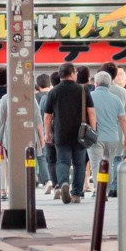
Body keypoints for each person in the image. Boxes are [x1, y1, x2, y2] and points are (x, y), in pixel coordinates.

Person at [44, 67, 87, 203]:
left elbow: (47, 115)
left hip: (60, 131)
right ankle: (76, 194)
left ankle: (63, 183)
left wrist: (47, 133)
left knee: (62, 161)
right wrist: (93, 130)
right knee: (79, 163)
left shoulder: (53, 91)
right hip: (80, 132)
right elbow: (91, 112)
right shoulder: (82, 90)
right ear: (72, 74)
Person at [88, 70, 126, 188]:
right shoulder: (116, 99)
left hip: (95, 137)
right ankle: (106, 190)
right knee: (109, 164)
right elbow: (123, 119)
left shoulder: (90, 97)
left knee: (96, 164)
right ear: (110, 84)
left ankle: (99, 190)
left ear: (95, 83)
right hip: (112, 138)